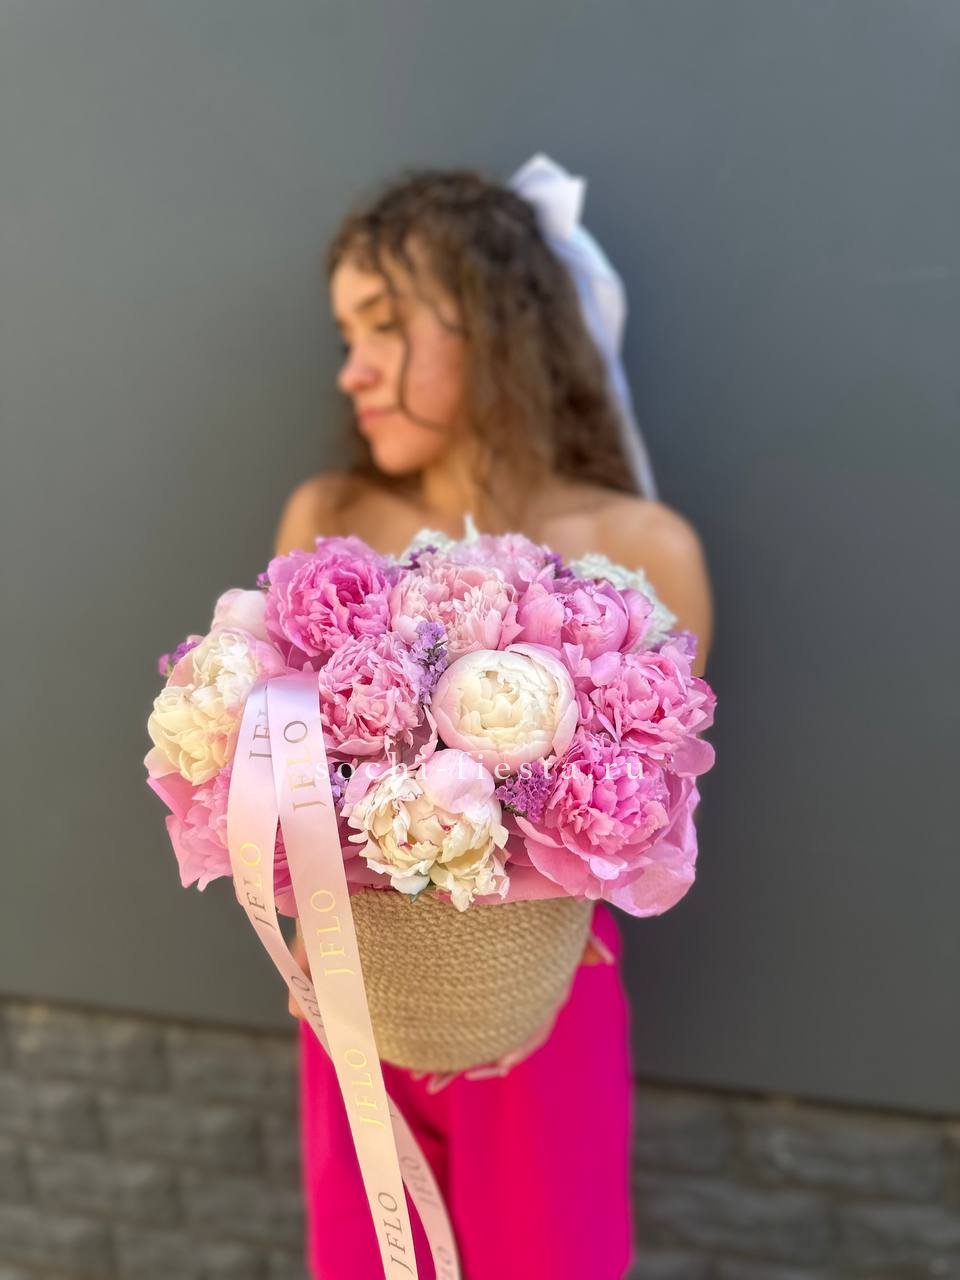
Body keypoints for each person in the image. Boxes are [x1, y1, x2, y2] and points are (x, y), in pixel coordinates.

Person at [272, 163, 714, 1280]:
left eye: (386, 325)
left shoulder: (645, 549)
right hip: (354, 995)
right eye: (346, 333)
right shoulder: (329, 521)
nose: (351, 369)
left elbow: (645, 815)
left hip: (545, 1001)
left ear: (498, 323)